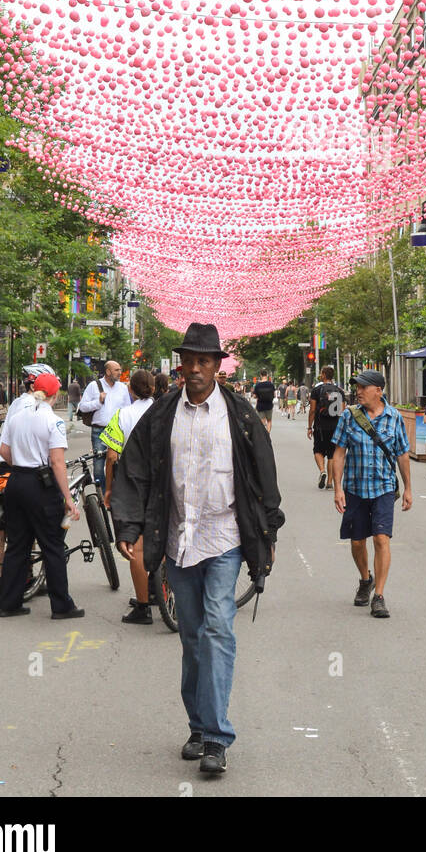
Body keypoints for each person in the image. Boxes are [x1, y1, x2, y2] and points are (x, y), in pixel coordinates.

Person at [112, 323, 284, 776]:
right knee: (191, 637)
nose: (194, 369)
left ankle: (217, 737)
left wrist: (268, 533)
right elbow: (134, 470)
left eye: (203, 361)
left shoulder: (240, 415)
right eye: (188, 361)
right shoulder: (162, 413)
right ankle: (197, 724)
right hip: (177, 541)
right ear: (180, 365)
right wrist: (128, 524)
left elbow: (264, 475)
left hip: (225, 537)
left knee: (217, 629)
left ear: (217, 366)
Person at [0, 372, 84, 619]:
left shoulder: (18, 417)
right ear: (54, 395)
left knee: (17, 545)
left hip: (17, 482)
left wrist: (22, 466)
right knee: (52, 545)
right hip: (40, 486)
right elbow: (57, 462)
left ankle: (9, 603)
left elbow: (4, 451)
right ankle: (62, 605)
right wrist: (67, 498)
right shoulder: (53, 422)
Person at [331, 369, 412, 620]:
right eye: (357, 386)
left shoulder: (394, 417)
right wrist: (337, 488)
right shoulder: (349, 416)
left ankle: (378, 595)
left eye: (363, 387)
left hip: (384, 488)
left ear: (378, 390)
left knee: (380, 539)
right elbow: (339, 453)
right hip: (355, 488)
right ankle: (365, 579)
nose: (358, 391)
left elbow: (402, 453)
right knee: (357, 542)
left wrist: (408, 487)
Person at [102, 368, 156, 625]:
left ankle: (143, 605)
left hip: (132, 483)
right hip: (160, 482)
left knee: (135, 544)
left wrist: (110, 488)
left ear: (130, 390)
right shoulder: (164, 413)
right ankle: (161, 587)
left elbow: (112, 456)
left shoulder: (123, 415)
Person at [78, 361, 131, 491]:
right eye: (117, 370)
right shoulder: (93, 386)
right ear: (108, 372)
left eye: (120, 369)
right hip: (99, 431)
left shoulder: (122, 388)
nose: (120, 373)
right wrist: (98, 402)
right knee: (98, 465)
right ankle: (101, 495)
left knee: (115, 463)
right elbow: (82, 407)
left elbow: (127, 409)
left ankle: (113, 493)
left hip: (117, 432)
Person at [308, 366, 345, 490]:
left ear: (323, 375)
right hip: (335, 427)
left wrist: (309, 427)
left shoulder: (316, 390)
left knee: (317, 450)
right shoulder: (340, 391)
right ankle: (329, 482)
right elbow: (343, 411)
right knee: (332, 454)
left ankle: (322, 470)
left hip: (320, 426)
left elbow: (312, 410)